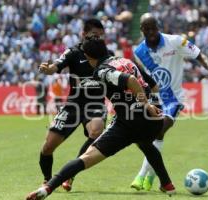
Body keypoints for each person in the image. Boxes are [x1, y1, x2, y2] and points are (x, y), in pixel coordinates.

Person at [26, 35, 175, 200]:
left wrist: (145, 104)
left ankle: (48, 187)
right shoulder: (124, 60)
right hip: (153, 122)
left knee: (87, 157)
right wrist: (148, 104)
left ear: (88, 57)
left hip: (129, 122)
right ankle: (167, 184)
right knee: (145, 143)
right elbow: (150, 85)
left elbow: (131, 80)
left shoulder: (102, 70)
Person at [131, 13, 208, 191]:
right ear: (142, 30)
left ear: (158, 27)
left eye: (153, 27)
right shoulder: (139, 52)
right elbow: (145, 78)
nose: (151, 31)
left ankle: (142, 175)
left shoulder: (175, 41)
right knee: (153, 136)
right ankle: (151, 177)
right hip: (155, 99)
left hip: (173, 99)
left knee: (158, 131)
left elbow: (197, 54)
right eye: (147, 28)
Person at [37, 18, 108, 191]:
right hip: (73, 105)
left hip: (95, 104)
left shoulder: (106, 53)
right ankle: (47, 179)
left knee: (97, 130)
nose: (98, 39)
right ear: (83, 35)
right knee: (48, 147)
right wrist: (48, 69)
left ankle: (71, 173)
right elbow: (56, 66)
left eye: (100, 36)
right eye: (94, 35)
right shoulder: (73, 52)